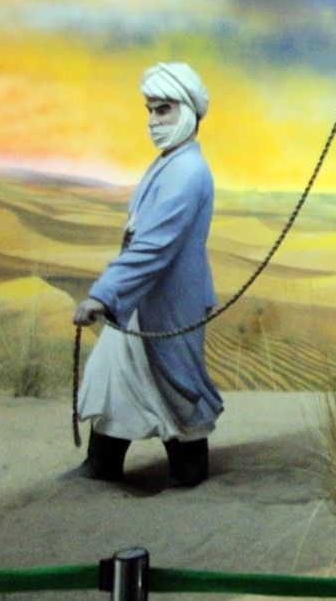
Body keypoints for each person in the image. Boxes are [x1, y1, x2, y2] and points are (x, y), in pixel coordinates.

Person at [72, 62, 223, 487]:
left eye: (164, 109)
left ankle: (190, 472)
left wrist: (104, 295)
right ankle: (101, 464)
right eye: (150, 110)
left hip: (167, 300)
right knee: (113, 377)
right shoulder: (169, 163)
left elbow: (153, 246)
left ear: (188, 111)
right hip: (137, 299)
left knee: (177, 386)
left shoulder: (188, 172)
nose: (154, 121)